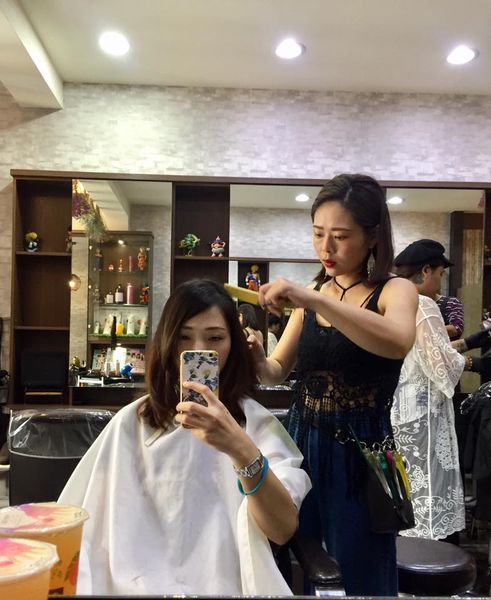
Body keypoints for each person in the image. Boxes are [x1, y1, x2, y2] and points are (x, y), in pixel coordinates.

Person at [59, 279, 311, 596]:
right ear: (167, 342)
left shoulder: (255, 424)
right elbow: (86, 528)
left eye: (215, 338)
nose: (199, 350)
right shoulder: (132, 422)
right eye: (183, 337)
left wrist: (241, 449)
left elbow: (282, 529)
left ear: (234, 345)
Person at [249, 174, 418, 596]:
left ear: (372, 237)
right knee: (299, 559)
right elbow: (276, 371)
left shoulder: (394, 289)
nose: (326, 248)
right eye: (318, 233)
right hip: (300, 443)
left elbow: (398, 341)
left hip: (360, 454)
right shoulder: (313, 293)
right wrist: (255, 355)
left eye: (340, 236)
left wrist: (315, 299)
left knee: (360, 568)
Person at [394, 239, 464, 340]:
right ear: (426, 271)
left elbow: (457, 328)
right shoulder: (397, 303)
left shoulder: (449, 303)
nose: (440, 279)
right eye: (440, 273)